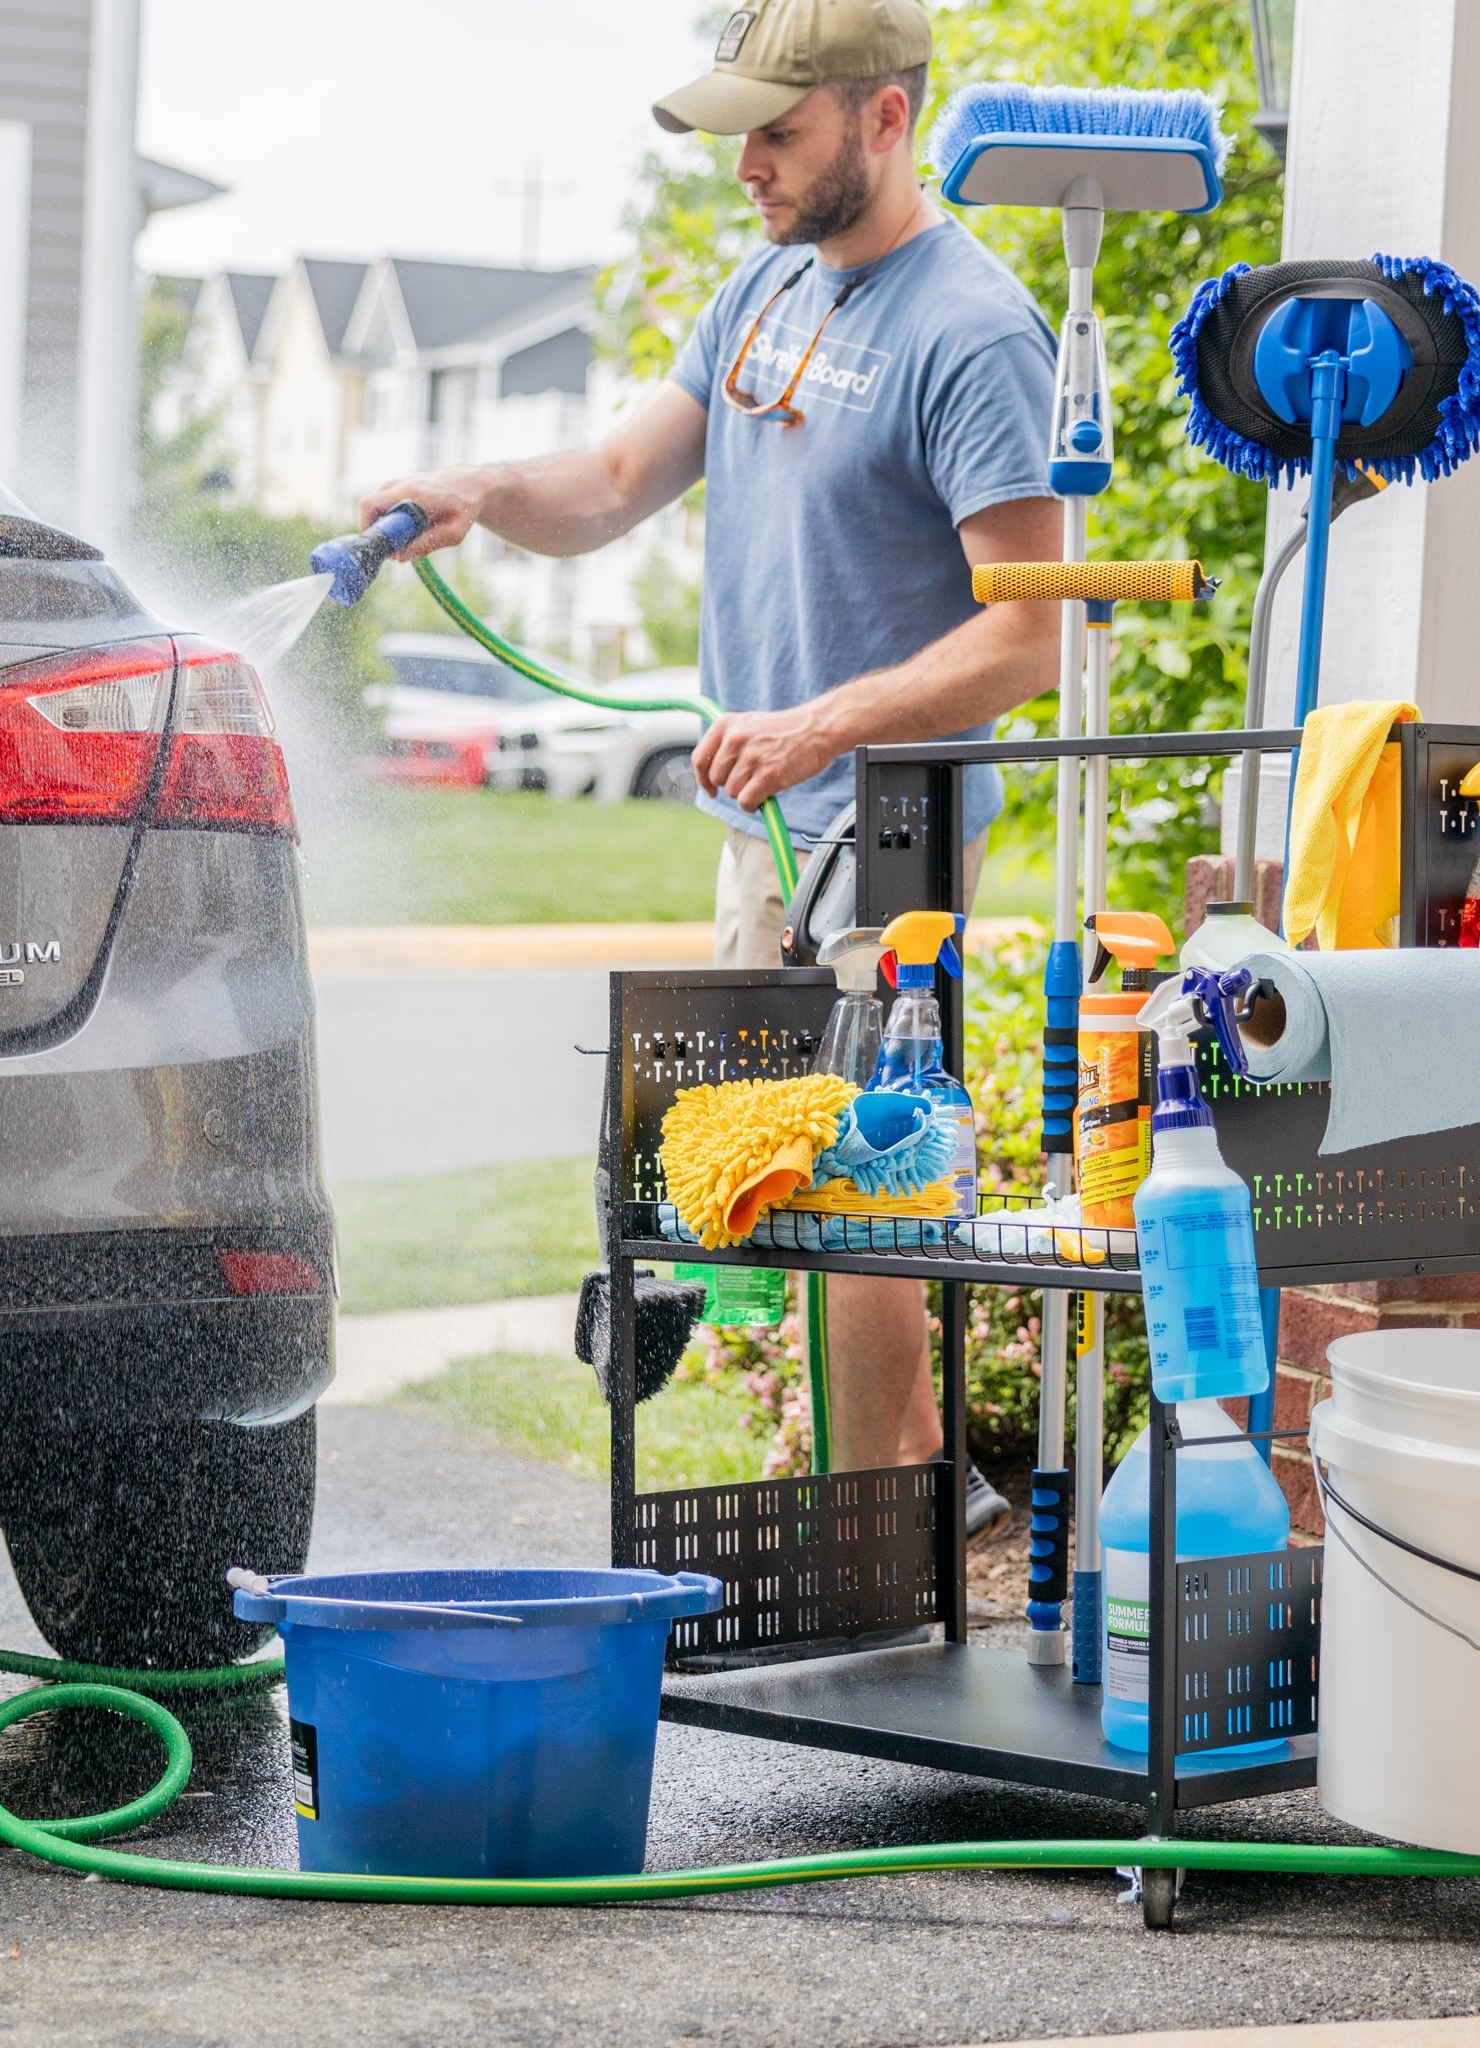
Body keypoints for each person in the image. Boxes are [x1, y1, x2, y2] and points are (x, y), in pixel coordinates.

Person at [362, 0, 1060, 1535]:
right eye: (739, 130)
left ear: (884, 118)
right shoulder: (758, 290)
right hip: (771, 822)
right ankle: (899, 1505)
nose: (745, 163)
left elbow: (1030, 643)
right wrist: (475, 488)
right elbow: (612, 482)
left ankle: (887, 1516)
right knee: (777, 1176)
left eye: (779, 130)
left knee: (862, 1180)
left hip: (895, 822)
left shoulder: (975, 328)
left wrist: (819, 723)